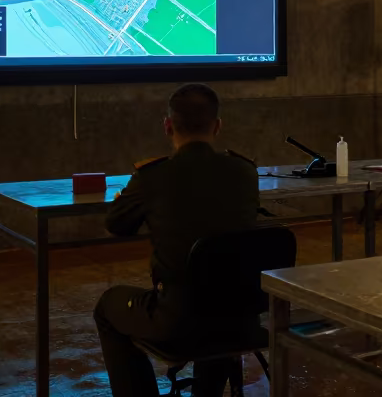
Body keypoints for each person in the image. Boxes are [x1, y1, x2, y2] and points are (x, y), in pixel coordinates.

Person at [94, 84, 260, 397]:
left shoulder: (152, 177)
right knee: (220, 291)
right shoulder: (245, 172)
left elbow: (117, 224)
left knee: (107, 307)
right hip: (242, 318)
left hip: (177, 322)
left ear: (168, 126)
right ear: (218, 126)